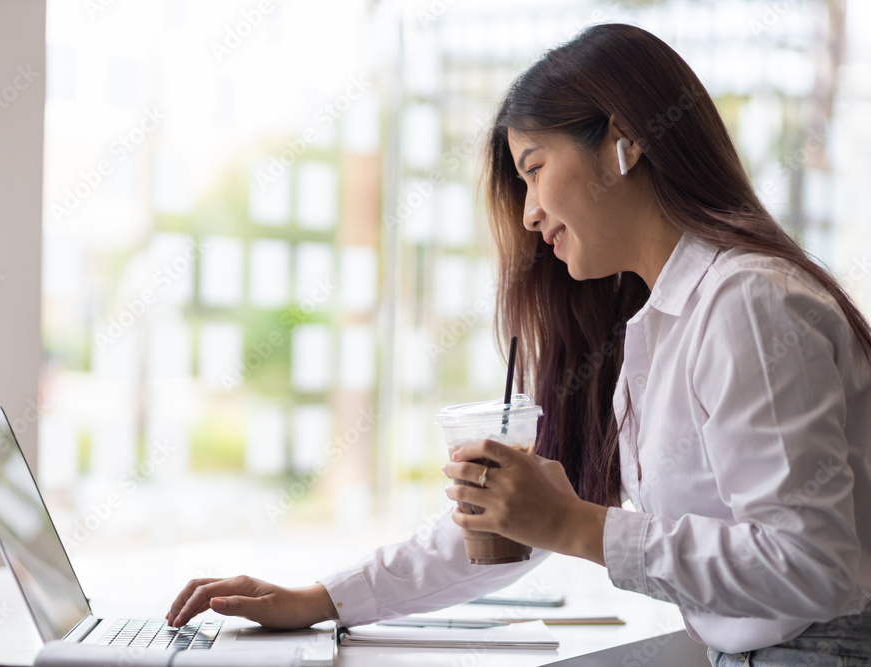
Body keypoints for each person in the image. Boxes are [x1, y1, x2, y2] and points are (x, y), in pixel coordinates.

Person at [166, 23, 871, 665]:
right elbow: (511, 521)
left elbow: (813, 562)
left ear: (625, 141)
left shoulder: (747, 303)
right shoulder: (657, 321)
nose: (530, 213)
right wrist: (323, 598)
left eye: (534, 167)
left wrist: (580, 525)